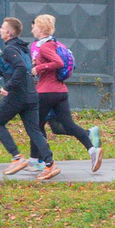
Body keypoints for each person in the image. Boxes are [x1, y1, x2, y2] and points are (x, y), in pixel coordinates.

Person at [31, 14, 103, 174]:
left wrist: (38, 68)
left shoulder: (44, 47)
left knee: (36, 127)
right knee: (68, 125)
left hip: (46, 92)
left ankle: (45, 163)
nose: (32, 28)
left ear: (41, 28)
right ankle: (92, 151)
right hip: (60, 91)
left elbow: (58, 63)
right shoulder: (55, 45)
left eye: (34, 25)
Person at [0, 16, 57, 180]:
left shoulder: (9, 49)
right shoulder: (23, 48)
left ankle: (17, 158)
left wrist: (7, 87)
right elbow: (23, 70)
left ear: (9, 32)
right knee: (34, 130)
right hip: (31, 94)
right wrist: (0, 72)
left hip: (17, 95)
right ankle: (51, 165)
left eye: (2, 27)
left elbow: (20, 68)